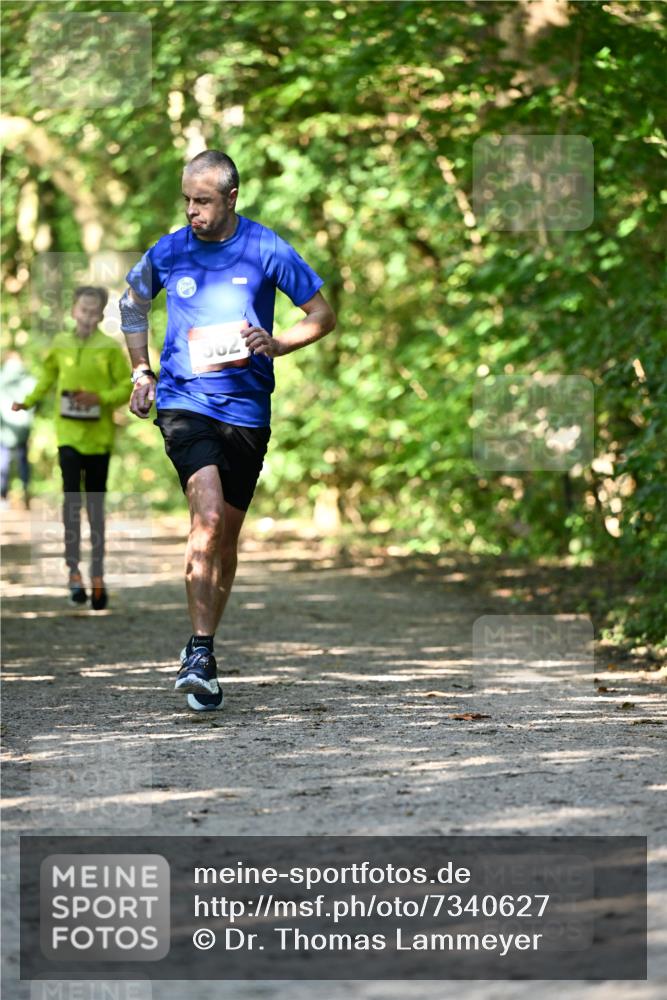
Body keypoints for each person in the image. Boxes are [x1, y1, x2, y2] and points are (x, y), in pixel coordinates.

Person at [120, 149, 336, 712]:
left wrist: (280, 342)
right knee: (208, 517)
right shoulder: (169, 250)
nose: (192, 211)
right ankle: (199, 650)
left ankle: (206, 649)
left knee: (227, 538)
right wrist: (141, 371)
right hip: (184, 403)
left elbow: (322, 314)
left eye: (203, 201)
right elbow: (132, 306)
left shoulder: (266, 247)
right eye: (187, 200)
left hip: (246, 411)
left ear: (231, 197)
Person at [13, 286, 131, 609]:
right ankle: (73, 574)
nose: (88, 316)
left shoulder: (108, 349)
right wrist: (28, 401)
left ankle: (98, 576)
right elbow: (46, 378)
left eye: (95, 311)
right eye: (83, 310)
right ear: (73, 311)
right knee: (71, 503)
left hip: (99, 439)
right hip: (67, 435)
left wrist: (100, 399)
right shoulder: (61, 345)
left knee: (95, 508)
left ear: (101, 314)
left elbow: (125, 386)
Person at [0, 352, 36, 509]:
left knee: (3, 463)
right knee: (23, 462)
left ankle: (2, 497)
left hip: (4, 428)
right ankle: (26, 491)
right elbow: (35, 400)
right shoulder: (29, 380)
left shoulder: (2, 378)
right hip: (23, 427)